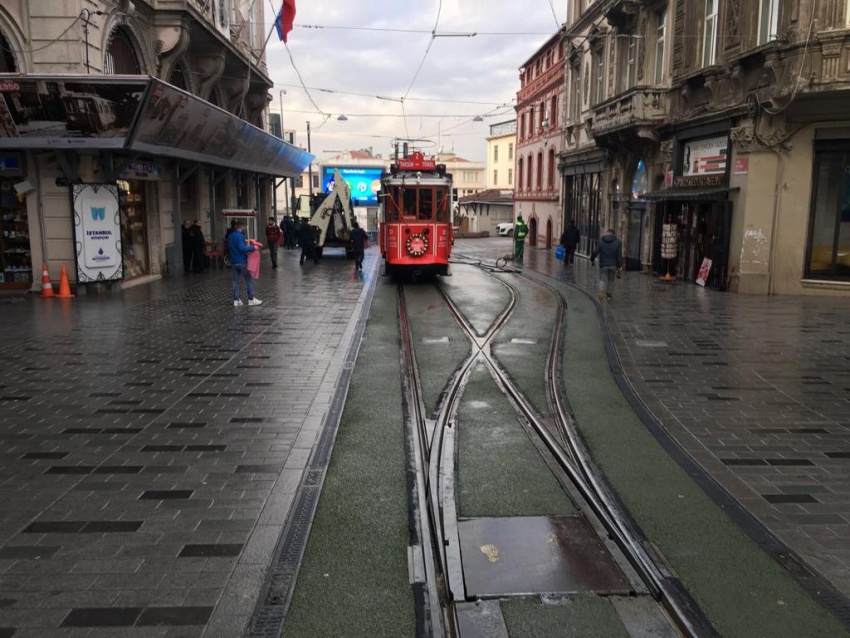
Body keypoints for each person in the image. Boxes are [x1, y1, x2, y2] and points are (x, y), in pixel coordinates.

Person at [227, 220, 262, 306]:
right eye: (244, 227)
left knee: (235, 281)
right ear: (242, 227)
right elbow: (242, 248)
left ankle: (236, 300)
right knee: (248, 280)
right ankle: (251, 299)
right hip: (241, 261)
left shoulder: (231, 236)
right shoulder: (240, 236)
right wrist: (253, 247)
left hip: (233, 261)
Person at [590, 228, 623, 301]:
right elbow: (619, 255)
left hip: (603, 264)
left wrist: (592, 259)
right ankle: (609, 294)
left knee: (602, 278)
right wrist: (620, 265)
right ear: (613, 234)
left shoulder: (601, 241)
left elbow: (595, 251)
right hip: (613, 265)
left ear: (607, 233)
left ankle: (601, 292)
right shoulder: (617, 242)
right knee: (611, 280)